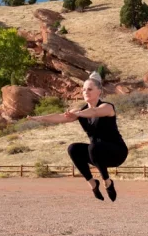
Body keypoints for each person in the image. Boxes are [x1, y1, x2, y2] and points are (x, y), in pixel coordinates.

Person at [30, 72, 127, 201]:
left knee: (94, 147)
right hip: (97, 155)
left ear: (99, 91)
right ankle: (92, 183)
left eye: (90, 89)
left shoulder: (107, 107)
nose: (86, 92)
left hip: (116, 152)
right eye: (84, 90)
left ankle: (107, 181)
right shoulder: (80, 112)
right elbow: (60, 117)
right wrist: (39, 118)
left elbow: (94, 111)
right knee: (73, 148)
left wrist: (78, 113)